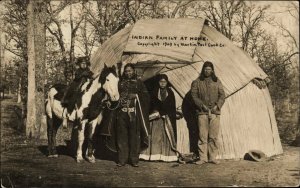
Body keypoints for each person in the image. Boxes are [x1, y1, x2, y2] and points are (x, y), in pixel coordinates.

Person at [191, 61, 225, 165]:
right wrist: (202, 105)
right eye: (205, 69)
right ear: (203, 70)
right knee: (202, 136)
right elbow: (194, 96)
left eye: (209, 69)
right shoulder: (197, 82)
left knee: (213, 136)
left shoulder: (217, 81)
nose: (207, 71)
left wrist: (217, 106)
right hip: (202, 113)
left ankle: (212, 157)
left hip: (215, 112)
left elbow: (222, 95)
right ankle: (203, 158)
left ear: (212, 70)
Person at [116, 63, 150, 167]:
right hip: (122, 113)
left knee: (134, 137)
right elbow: (115, 94)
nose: (128, 73)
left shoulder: (139, 83)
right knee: (122, 137)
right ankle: (122, 160)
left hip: (134, 113)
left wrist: (136, 96)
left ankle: (134, 160)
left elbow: (146, 96)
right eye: (126, 71)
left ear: (133, 71)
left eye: (130, 71)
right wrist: (119, 98)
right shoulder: (120, 83)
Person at [139, 74, 178, 162]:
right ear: (158, 82)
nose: (163, 83)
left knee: (166, 138)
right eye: (161, 81)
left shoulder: (170, 93)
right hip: (155, 119)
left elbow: (171, 107)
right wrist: (155, 111)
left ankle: (164, 156)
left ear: (167, 83)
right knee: (155, 137)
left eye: (164, 82)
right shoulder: (154, 92)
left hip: (166, 119)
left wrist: (164, 113)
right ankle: (154, 156)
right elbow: (151, 105)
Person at [61, 56, 93, 127]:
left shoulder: (88, 70)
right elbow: (77, 77)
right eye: (82, 63)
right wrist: (83, 74)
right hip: (77, 84)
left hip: (86, 84)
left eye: (85, 63)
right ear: (79, 64)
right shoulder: (78, 71)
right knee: (74, 93)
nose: (84, 65)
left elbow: (92, 75)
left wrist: (90, 76)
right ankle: (69, 110)